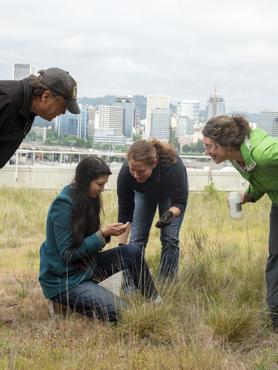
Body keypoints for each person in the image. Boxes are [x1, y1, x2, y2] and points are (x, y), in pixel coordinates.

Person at [39, 156, 160, 322]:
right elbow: (68, 254)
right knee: (124, 313)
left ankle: (156, 303)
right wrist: (101, 234)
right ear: (84, 181)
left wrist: (107, 234)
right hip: (64, 279)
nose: (103, 189)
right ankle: (69, 302)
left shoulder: (89, 198)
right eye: (100, 184)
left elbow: (88, 245)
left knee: (132, 251)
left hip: (87, 267)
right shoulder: (62, 205)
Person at [202, 114, 278, 331]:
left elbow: (268, 167)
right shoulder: (237, 160)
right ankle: (275, 319)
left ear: (225, 143)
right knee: (275, 259)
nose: (207, 152)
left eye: (210, 146)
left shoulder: (265, 153)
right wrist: (248, 196)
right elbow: (266, 178)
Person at [117, 139, 188, 282]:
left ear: (154, 163)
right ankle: (132, 284)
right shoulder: (125, 173)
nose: (136, 175)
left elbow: (179, 202)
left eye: (141, 171)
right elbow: (125, 212)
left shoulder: (173, 166)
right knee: (137, 240)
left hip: (169, 195)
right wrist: (121, 246)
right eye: (132, 170)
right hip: (143, 193)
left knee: (170, 239)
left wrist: (169, 214)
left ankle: (167, 282)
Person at [0, 67, 80, 169]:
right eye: (63, 107)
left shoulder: (29, 112)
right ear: (45, 96)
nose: (63, 112)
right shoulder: (6, 98)